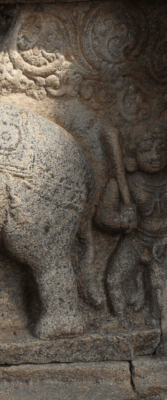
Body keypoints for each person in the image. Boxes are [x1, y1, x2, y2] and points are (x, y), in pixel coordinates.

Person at [97, 121, 167, 354]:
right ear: (132, 156)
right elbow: (103, 216)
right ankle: (121, 318)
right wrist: (122, 220)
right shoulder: (122, 182)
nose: (155, 156)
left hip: (164, 242)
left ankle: (159, 324)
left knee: (160, 285)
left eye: (161, 149)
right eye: (147, 150)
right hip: (137, 240)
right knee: (114, 278)